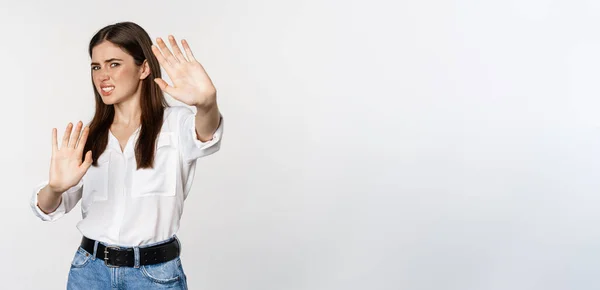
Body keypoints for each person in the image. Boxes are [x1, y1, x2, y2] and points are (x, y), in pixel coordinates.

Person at [29, 21, 224, 289]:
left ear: (143, 68)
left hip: (154, 276)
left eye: (114, 64)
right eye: (96, 67)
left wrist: (207, 102)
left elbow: (206, 132)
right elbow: (48, 207)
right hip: (89, 273)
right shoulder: (89, 136)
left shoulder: (175, 124)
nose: (102, 76)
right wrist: (54, 187)